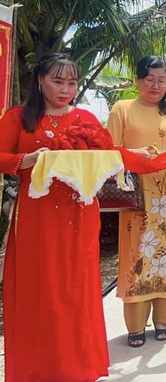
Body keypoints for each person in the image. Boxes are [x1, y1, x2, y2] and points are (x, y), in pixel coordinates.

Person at [0, 54, 109, 380]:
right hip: (37, 217)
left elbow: (107, 157)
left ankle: (79, 368)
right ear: (39, 80)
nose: (65, 89)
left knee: (76, 289)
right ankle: (38, 369)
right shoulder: (18, 118)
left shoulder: (87, 118)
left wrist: (134, 157)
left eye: (71, 83)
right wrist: (26, 158)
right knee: (40, 289)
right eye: (57, 81)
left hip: (80, 214)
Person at [107, 55, 166, 347]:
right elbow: (108, 150)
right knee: (137, 255)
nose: (156, 85)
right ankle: (135, 324)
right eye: (150, 79)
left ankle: (163, 319)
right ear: (137, 81)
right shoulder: (122, 109)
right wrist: (135, 154)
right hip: (134, 191)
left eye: (161, 80)